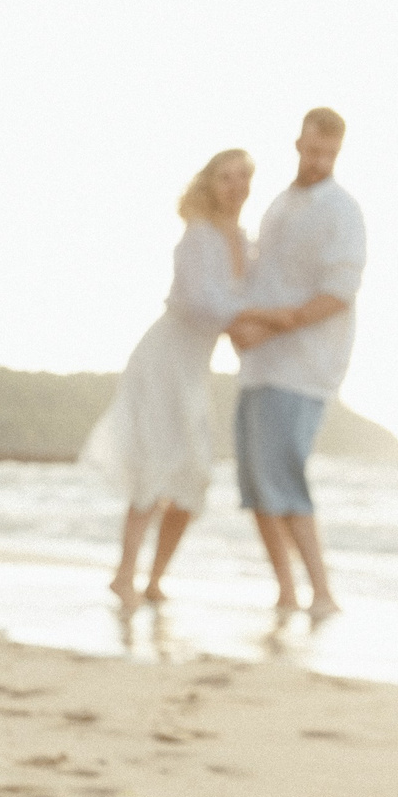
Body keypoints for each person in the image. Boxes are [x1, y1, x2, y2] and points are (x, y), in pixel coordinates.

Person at [80, 149, 255, 605]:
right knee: (154, 465)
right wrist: (260, 319)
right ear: (209, 185)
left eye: (243, 177)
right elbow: (196, 304)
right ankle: (125, 576)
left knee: (193, 476)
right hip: (163, 361)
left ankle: (155, 578)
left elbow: (240, 310)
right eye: (225, 177)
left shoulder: (246, 242)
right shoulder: (197, 238)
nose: (235, 186)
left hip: (195, 368)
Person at [229, 108, 366, 621]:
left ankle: (322, 593)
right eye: (312, 150)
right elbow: (260, 275)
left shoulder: (342, 211)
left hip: (304, 370)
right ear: (298, 143)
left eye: (327, 154)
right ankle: (286, 592)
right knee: (256, 488)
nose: (318, 160)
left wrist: (267, 325)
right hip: (259, 366)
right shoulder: (279, 205)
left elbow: (338, 294)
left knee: (285, 479)